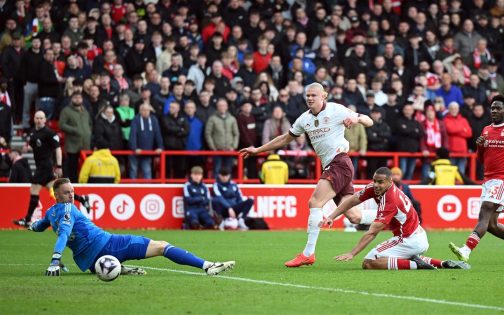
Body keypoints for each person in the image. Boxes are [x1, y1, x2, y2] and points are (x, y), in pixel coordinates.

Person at [240, 82, 374, 267]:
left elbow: (369, 120)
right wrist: (258, 150)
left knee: (315, 202)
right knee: (354, 217)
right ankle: (393, 216)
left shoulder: (337, 110)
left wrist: (357, 120)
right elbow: (284, 139)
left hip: (340, 162)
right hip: (333, 165)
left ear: (323, 96)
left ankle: (308, 253)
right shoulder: (304, 119)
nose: (310, 98)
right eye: (308, 96)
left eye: (314, 95)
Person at [29, 178, 234, 277]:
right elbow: (64, 234)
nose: (71, 196)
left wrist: (32, 226)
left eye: (72, 192)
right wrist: (55, 260)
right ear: (56, 194)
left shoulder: (51, 212)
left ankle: (120, 268)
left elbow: (40, 226)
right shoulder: (68, 210)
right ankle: (208, 266)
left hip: (90, 263)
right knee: (162, 246)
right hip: (109, 245)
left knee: (153, 247)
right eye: (66, 193)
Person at [321, 167, 469, 270]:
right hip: (417, 235)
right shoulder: (374, 188)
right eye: (375, 181)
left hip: (409, 239)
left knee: (369, 263)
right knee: (356, 218)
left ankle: (416, 264)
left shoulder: (390, 199)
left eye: (380, 182)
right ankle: (442, 263)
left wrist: (352, 253)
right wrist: (332, 216)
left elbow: (372, 232)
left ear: (390, 181)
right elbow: (353, 200)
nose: (376, 185)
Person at [449, 95, 504, 263]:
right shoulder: (486, 130)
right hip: (488, 179)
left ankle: (466, 250)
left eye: (498, 108)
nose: (494, 111)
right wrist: (480, 146)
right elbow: (481, 159)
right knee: (491, 225)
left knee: (485, 211)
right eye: (492, 108)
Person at [13, 111, 90, 227]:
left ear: (45, 120)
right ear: (34, 119)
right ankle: (82, 198)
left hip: (45, 166)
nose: (39, 120)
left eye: (41, 118)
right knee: (58, 191)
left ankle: (27, 219)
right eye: (37, 118)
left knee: (34, 188)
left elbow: (58, 149)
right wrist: (26, 148)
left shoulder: (49, 133)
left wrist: (59, 165)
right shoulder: (33, 132)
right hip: (40, 166)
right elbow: (33, 146)